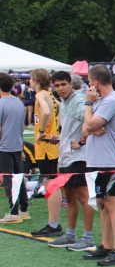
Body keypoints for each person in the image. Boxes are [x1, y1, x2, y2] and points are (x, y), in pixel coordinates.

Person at [80, 65, 115, 266]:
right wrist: (90, 124)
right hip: (97, 159)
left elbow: (90, 125)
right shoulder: (101, 101)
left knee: (112, 204)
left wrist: (89, 108)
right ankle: (106, 245)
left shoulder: (111, 101)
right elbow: (85, 128)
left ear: (95, 82)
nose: (88, 86)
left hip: (107, 160)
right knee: (102, 204)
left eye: (89, 82)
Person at [47, 72, 97, 251]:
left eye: (63, 84)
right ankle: (70, 234)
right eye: (57, 85)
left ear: (70, 83)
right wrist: (60, 138)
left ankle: (88, 238)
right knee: (69, 197)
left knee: (84, 197)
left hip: (79, 157)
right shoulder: (65, 102)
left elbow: (90, 123)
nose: (60, 88)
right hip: (66, 157)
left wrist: (82, 141)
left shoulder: (78, 100)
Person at [28, 69, 62, 236]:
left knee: (50, 183)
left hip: (45, 145)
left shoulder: (41, 94)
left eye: (31, 79)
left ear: (36, 80)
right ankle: (53, 223)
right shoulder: (50, 94)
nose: (29, 82)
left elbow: (47, 112)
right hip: (52, 144)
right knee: (52, 181)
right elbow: (60, 108)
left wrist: (41, 131)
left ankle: (53, 224)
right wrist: (57, 127)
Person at [0, 73, 31, 223]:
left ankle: (14, 212)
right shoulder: (18, 102)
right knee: (19, 177)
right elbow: (22, 127)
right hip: (17, 145)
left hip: (4, 146)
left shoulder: (1, 103)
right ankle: (24, 209)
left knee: (8, 179)